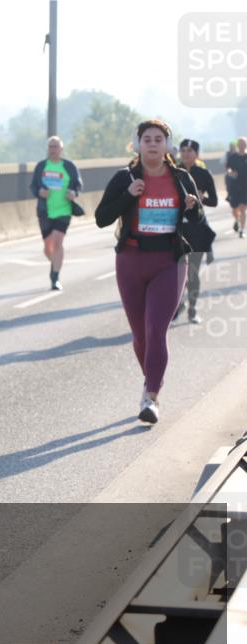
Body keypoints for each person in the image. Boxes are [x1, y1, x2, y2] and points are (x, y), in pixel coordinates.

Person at [94, 120, 203, 424]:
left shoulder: (181, 178)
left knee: (157, 331)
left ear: (167, 145)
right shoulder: (124, 177)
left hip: (169, 261)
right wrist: (128, 194)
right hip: (130, 260)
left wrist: (193, 206)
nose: (153, 144)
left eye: (158, 139)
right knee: (141, 336)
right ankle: (151, 379)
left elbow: (197, 218)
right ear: (138, 144)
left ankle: (151, 396)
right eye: (147, 139)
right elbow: (102, 218)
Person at [172, 139, 218, 324]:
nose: (186, 153)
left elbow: (214, 200)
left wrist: (202, 198)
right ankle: (177, 305)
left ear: (197, 154)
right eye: (183, 150)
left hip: (197, 229)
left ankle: (192, 309)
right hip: (177, 229)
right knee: (175, 272)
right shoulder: (174, 172)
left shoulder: (204, 173)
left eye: (190, 150)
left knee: (192, 273)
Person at [29, 136, 83, 290]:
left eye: (55, 147)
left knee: (58, 242)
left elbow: (78, 185)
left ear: (61, 149)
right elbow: (33, 186)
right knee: (48, 247)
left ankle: (55, 277)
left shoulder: (69, 166)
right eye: (50, 147)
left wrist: (73, 192)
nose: (52, 150)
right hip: (45, 211)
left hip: (64, 210)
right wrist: (40, 192)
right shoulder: (41, 166)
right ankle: (56, 264)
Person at [226, 136, 247, 238]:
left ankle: (242, 230)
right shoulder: (233, 157)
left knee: (243, 208)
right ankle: (236, 220)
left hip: (245, 187)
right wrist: (230, 173)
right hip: (234, 187)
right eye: (240, 144)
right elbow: (228, 168)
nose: (242, 146)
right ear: (237, 145)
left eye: (243, 144)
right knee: (235, 209)